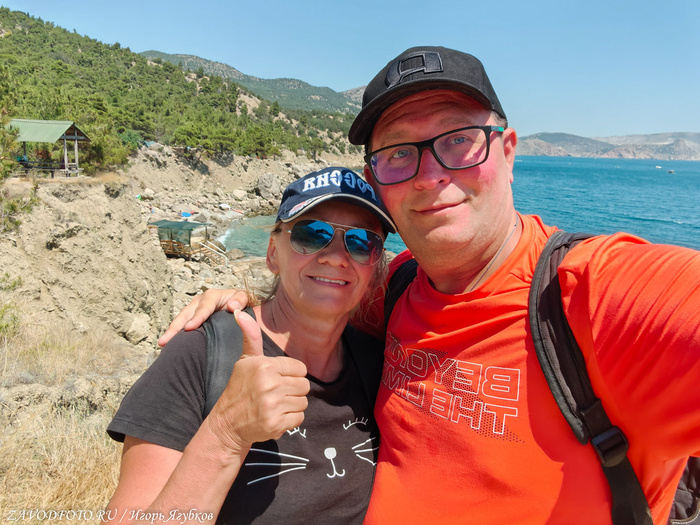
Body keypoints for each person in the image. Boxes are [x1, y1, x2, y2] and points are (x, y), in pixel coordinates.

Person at [158, 47, 700, 524]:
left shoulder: (597, 295)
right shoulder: (393, 288)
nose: (429, 175)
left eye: (460, 140)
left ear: (508, 152)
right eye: (398, 152)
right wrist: (244, 306)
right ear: (377, 183)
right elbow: (317, 296)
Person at [105, 167, 396, 524]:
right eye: (312, 234)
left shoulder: (378, 364)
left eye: (362, 242)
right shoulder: (201, 354)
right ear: (273, 253)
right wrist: (227, 433)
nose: (336, 256)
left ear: (375, 268)